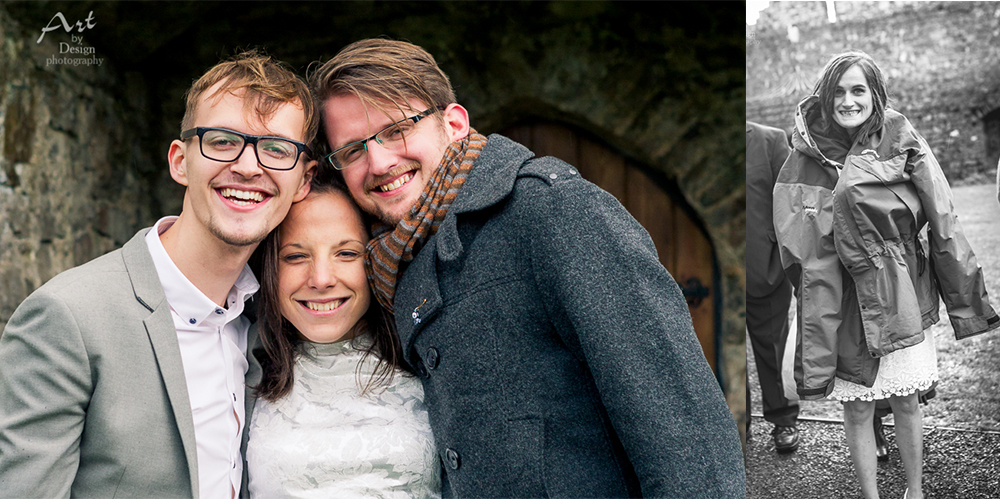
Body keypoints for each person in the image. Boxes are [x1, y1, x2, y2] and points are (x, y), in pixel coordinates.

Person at [307, 38, 745, 498]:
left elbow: (686, 437)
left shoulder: (552, 210)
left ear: (453, 124)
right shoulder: (397, 258)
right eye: (353, 149)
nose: (378, 161)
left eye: (397, 129)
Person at [0, 51, 316, 498]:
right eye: (223, 140)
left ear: (304, 180)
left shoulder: (269, 317)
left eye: (276, 149)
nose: (248, 166)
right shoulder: (68, 317)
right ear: (180, 161)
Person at [773, 50, 999, 499]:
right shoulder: (804, 151)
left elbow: (942, 213)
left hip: (899, 290)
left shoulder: (898, 132)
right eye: (838, 91)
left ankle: (914, 492)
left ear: (874, 95)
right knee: (856, 409)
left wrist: (964, 296)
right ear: (824, 96)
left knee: (906, 400)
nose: (848, 100)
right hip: (839, 298)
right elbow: (790, 237)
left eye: (858, 90)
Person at [244, 177, 440, 498]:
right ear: (269, 268)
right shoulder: (239, 367)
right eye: (295, 256)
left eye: (346, 253)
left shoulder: (430, 359)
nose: (321, 279)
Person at [745, 121, 800, 453]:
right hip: (715, 272)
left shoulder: (770, 140)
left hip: (765, 265)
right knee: (724, 352)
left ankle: (783, 420)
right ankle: (737, 425)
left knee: (773, 347)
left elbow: (790, 202)